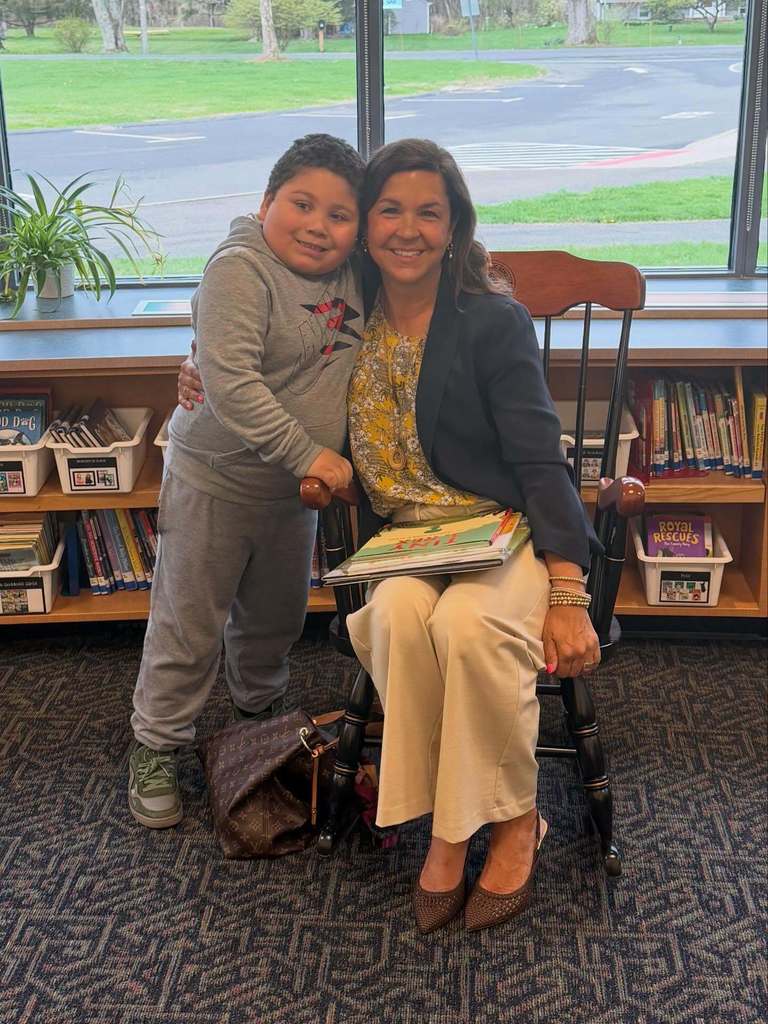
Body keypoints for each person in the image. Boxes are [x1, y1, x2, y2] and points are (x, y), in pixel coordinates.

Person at [178, 139, 602, 934]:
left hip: (502, 533)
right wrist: (194, 356)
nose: (407, 229)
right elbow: (251, 316)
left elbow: (543, 462)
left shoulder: (492, 322)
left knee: (469, 625)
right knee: (403, 620)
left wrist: (569, 587)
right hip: (405, 543)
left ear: (454, 226)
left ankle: (496, 825)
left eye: (429, 213)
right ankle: (453, 814)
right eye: (390, 211)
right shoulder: (347, 311)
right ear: (367, 227)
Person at [129, 134, 365, 829]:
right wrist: (311, 454)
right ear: (264, 202)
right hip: (215, 480)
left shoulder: (359, 274)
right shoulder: (238, 268)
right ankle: (156, 741)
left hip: (292, 498)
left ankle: (257, 718)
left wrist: (309, 467)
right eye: (301, 203)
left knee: (273, 620)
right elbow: (229, 383)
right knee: (189, 622)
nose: (318, 224)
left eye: (339, 213)